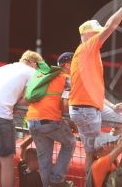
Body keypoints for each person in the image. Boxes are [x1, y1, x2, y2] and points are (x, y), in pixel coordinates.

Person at [69, 0, 122, 169]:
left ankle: (105, 169)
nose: (100, 35)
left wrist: (112, 106)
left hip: (88, 107)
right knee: (96, 150)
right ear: (87, 34)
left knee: (121, 119)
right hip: (85, 109)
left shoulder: (90, 52)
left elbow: (93, 90)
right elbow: (111, 26)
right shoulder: (88, 47)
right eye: (96, 32)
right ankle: (102, 172)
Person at [0, 50, 42, 187]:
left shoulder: (2, 68)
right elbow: (27, 99)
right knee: (7, 163)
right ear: (34, 63)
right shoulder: (31, 72)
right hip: (1, 116)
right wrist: (14, 103)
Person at [27, 52, 76, 187]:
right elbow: (65, 104)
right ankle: (57, 180)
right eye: (75, 62)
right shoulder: (66, 78)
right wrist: (70, 121)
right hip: (49, 120)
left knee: (44, 160)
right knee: (71, 142)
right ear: (67, 65)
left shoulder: (46, 76)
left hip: (32, 120)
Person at [90, 109, 122, 187]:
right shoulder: (100, 163)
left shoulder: (109, 161)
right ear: (105, 146)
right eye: (112, 142)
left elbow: (120, 142)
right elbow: (121, 145)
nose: (115, 143)